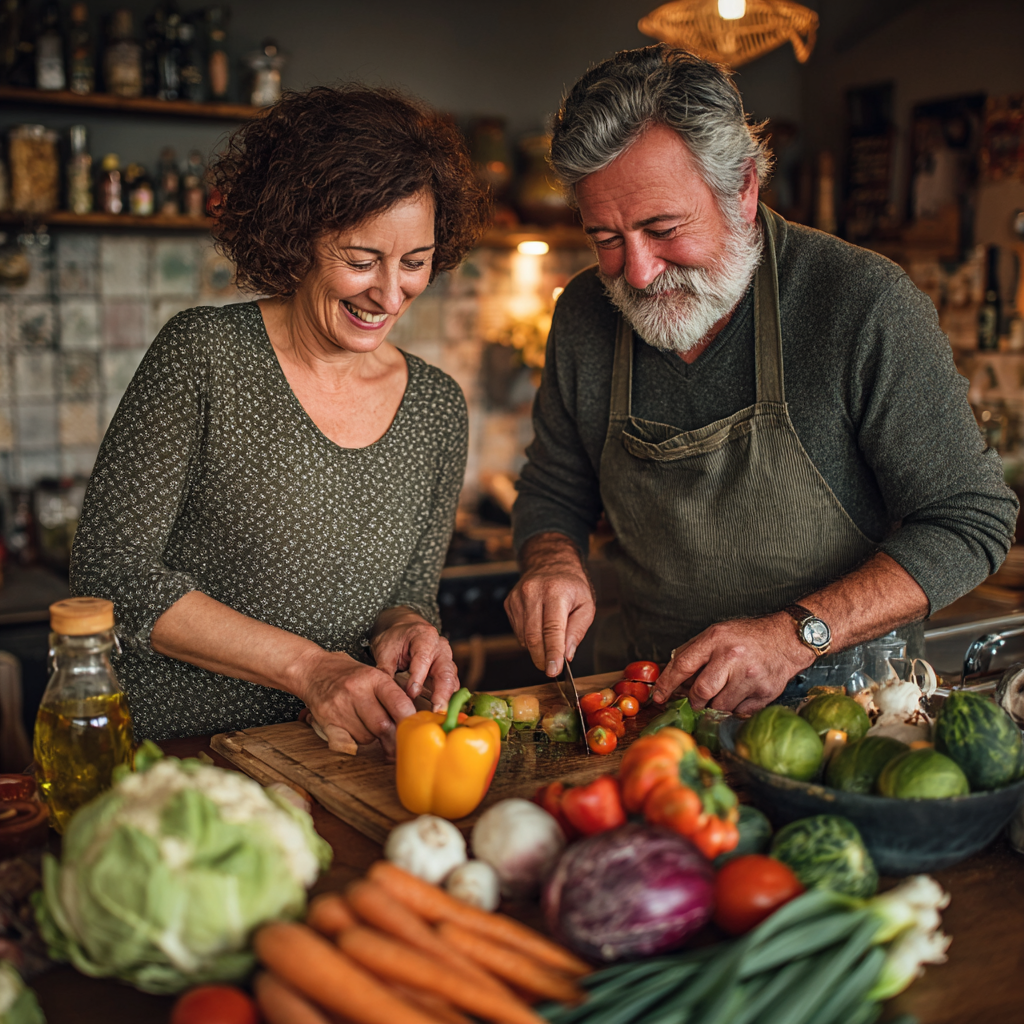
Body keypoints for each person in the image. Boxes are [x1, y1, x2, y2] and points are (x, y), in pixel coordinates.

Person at [505, 46, 1017, 715]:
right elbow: (553, 488)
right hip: (649, 712)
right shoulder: (583, 316)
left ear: (743, 188)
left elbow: (971, 519)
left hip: (846, 722)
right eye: (605, 237)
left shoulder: (861, 304)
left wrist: (796, 634)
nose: (634, 272)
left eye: (663, 229)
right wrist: (550, 560)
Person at [71, 86, 490, 753]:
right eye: (361, 260)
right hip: (185, 756)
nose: (390, 293)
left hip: (340, 756)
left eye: (415, 262)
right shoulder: (204, 355)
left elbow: (408, 592)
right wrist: (312, 671)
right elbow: (111, 573)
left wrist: (405, 627)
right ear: (297, 238)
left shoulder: (436, 409)